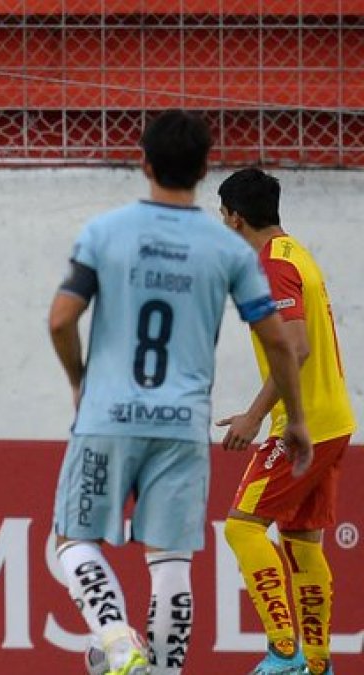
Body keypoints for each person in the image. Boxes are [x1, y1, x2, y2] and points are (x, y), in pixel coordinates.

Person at [47, 111, 312, 675]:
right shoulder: (231, 253)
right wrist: (294, 419)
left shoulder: (104, 232)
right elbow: (281, 343)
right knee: (169, 562)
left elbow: (61, 320)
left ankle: (118, 642)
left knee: (74, 540)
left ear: (143, 162)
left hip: (107, 415)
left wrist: (78, 380)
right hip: (181, 424)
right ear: (202, 169)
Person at [217, 168, 355, 675]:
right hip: (334, 420)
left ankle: (284, 651)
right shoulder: (297, 254)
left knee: (242, 528)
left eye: (222, 213)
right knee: (300, 540)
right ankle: (318, 665)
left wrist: (256, 416)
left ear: (234, 218)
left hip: (305, 426)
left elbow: (295, 349)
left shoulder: (271, 266)